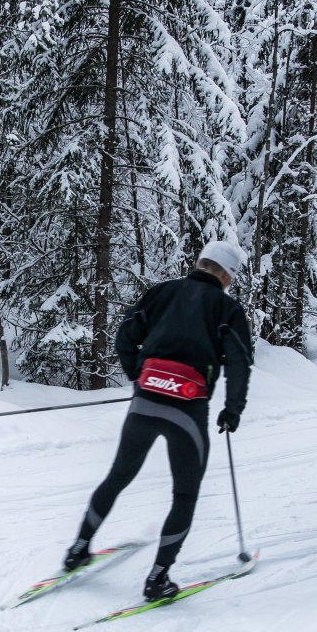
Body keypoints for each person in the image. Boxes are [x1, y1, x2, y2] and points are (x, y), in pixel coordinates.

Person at [63, 239, 254, 600]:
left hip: (145, 402)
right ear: (227, 273)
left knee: (118, 477)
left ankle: (78, 550)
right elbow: (239, 363)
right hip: (188, 410)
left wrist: (138, 374)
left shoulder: (161, 293)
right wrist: (233, 409)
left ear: (200, 263)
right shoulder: (227, 309)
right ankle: (158, 578)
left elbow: (125, 335)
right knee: (184, 494)